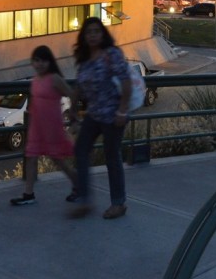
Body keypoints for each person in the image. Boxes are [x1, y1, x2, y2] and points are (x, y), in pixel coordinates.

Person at [70, 17, 131, 219]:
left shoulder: (112, 54)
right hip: (94, 114)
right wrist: (73, 109)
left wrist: (122, 111)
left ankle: (118, 203)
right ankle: (85, 200)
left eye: (96, 31)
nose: (93, 35)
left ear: (103, 34)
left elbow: (126, 82)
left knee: (112, 157)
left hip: (113, 114)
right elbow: (79, 86)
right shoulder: (85, 58)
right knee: (80, 150)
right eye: (89, 32)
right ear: (84, 36)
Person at [10, 45, 79, 206]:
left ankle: (78, 184)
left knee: (58, 160)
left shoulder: (55, 78)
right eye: (36, 61)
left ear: (49, 62)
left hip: (52, 126)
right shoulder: (34, 80)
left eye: (43, 61)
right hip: (36, 126)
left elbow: (72, 94)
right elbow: (35, 101)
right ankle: (28, 194)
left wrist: (73, 115)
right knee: (31, 157)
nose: (39, 64)